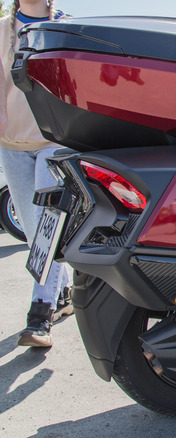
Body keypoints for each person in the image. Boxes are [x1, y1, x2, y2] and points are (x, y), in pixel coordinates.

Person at [0, 0, 72, 348]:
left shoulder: (67, 27)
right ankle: (65, 290)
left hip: (53, 142)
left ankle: (39, 317)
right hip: (11, 142)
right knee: (34, 233)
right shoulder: (3, 30)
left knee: (48, 227)